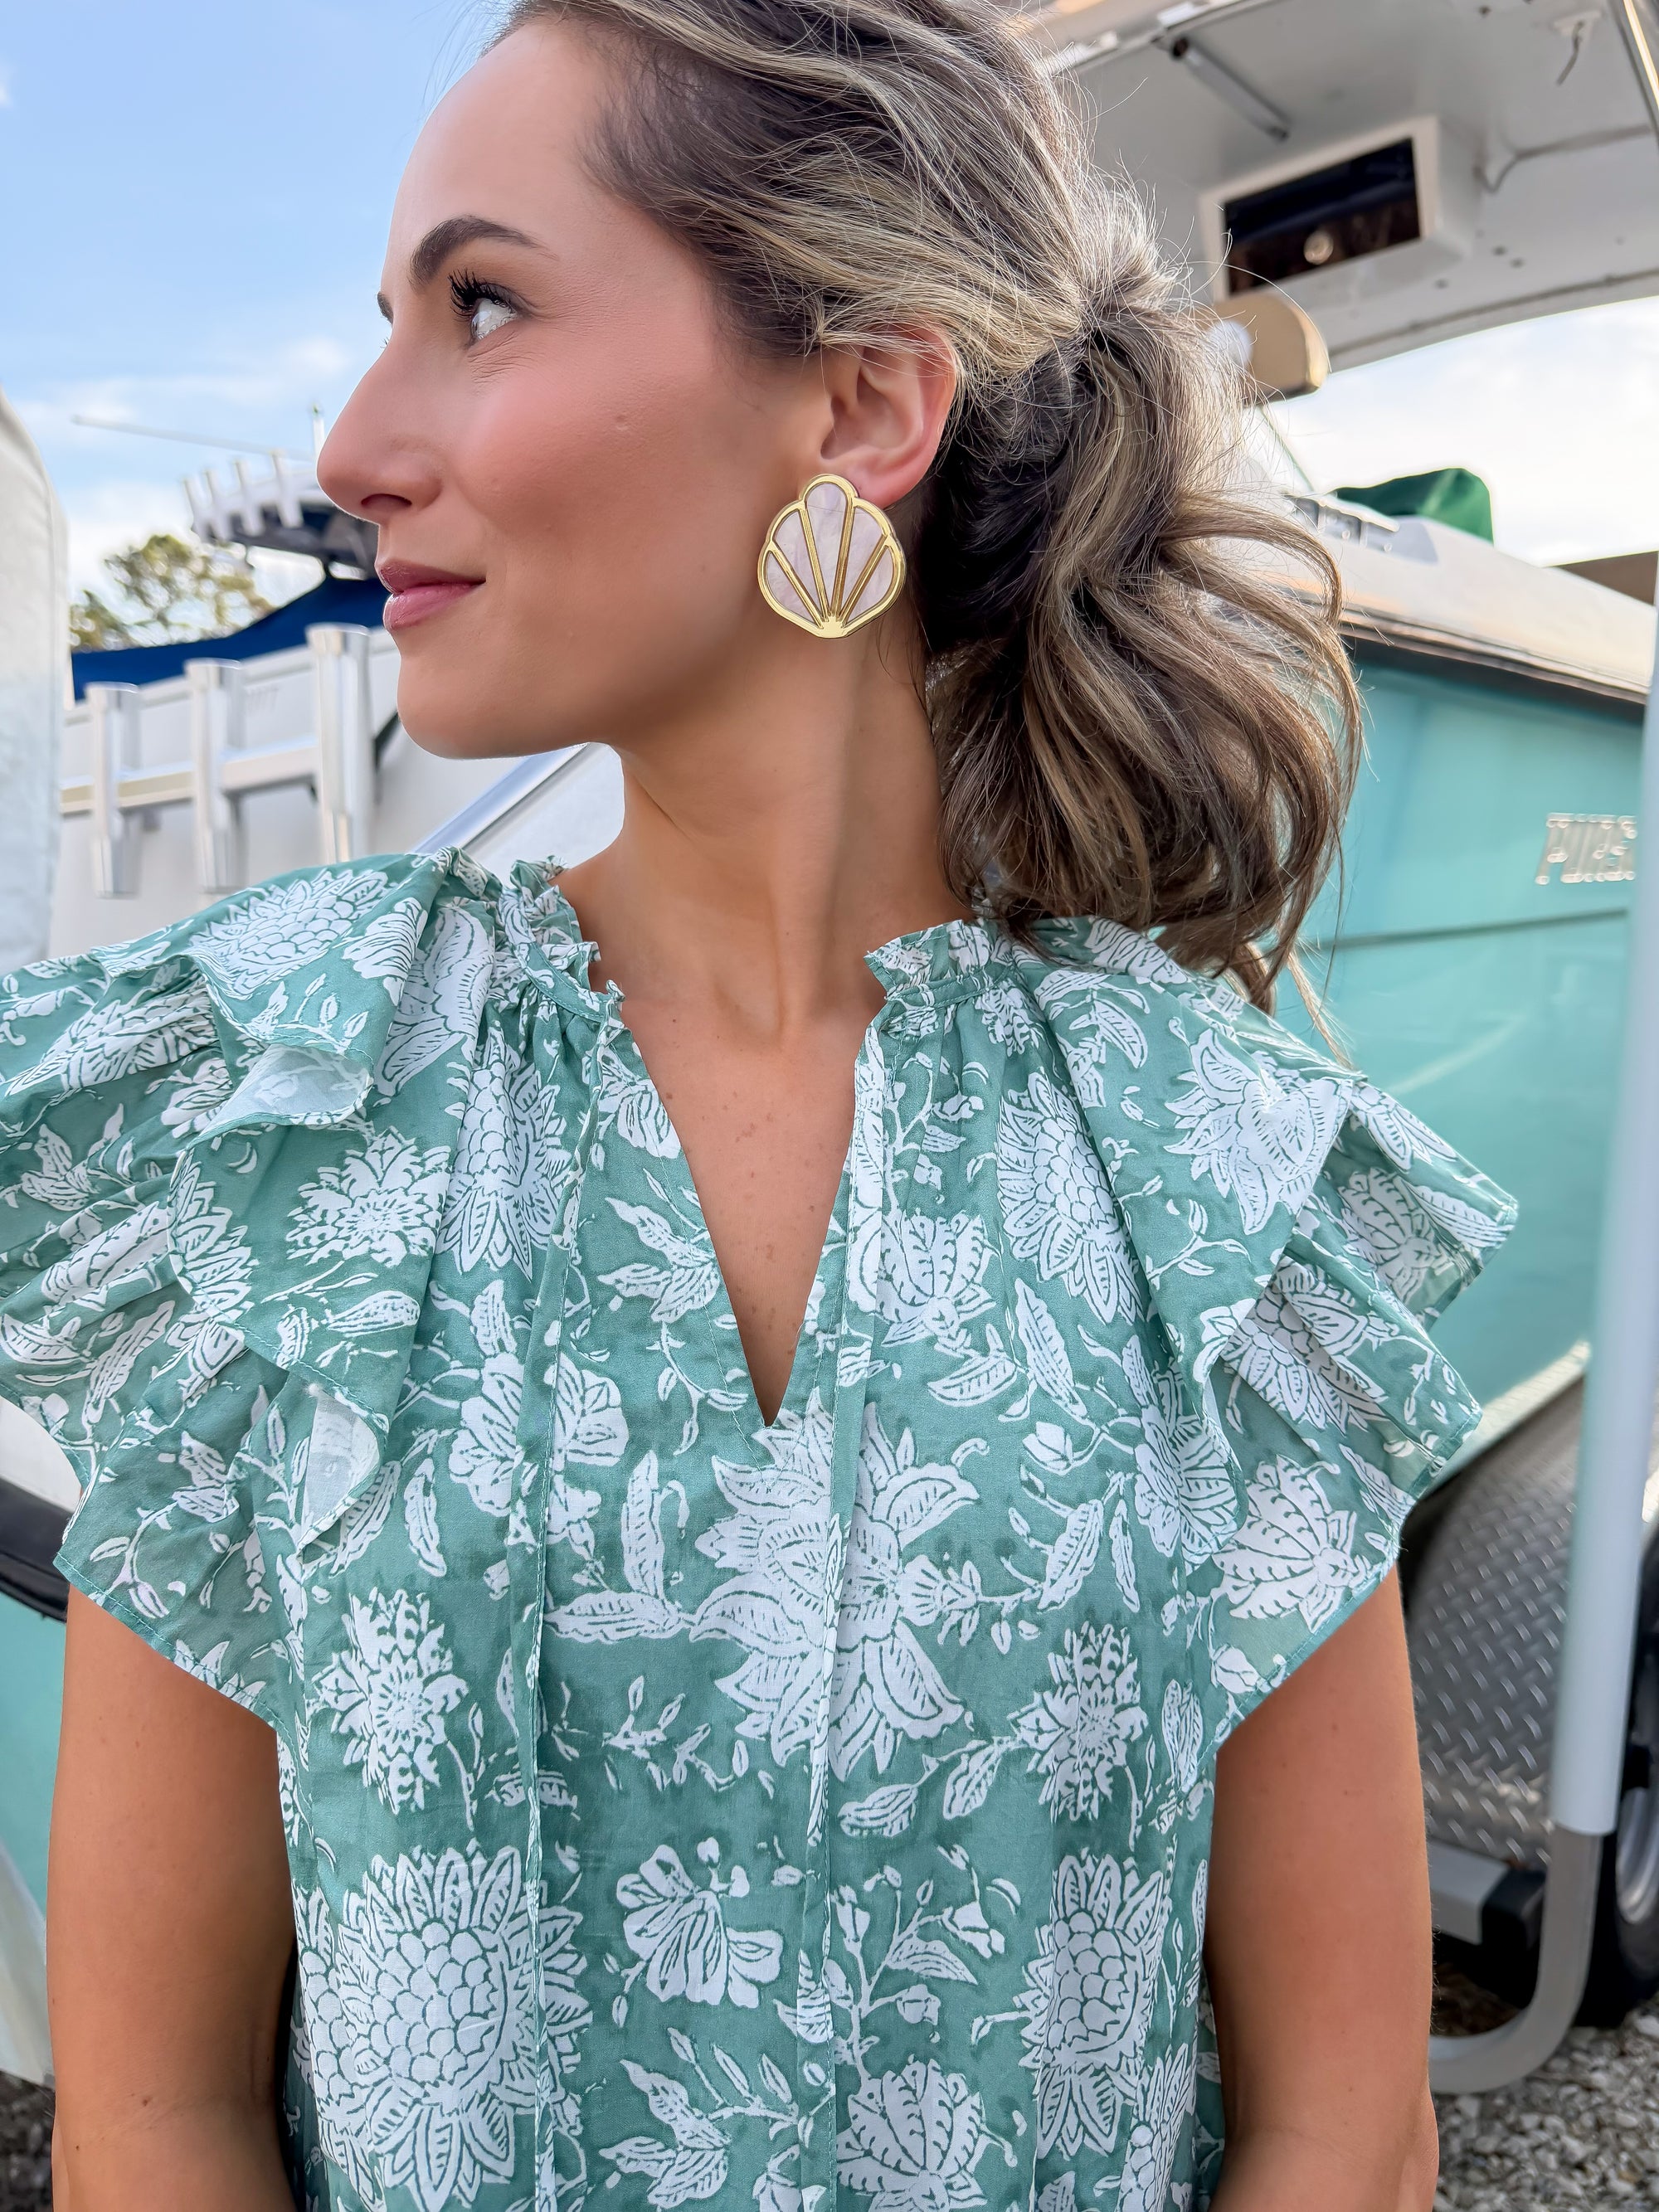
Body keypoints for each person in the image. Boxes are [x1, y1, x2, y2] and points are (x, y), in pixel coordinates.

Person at [9, 1, 1514, 2206]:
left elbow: (1343, 2128)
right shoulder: (294, 1124)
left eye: (481, 305)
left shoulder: (1199, 1173)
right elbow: (159, 2114)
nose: (351, 443)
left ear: (862, 403)